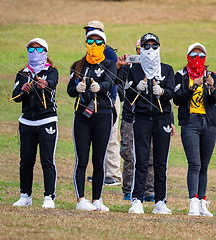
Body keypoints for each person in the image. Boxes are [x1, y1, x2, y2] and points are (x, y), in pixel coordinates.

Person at [125, 33, 175, 214]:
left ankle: (160, 200)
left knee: (161, 162)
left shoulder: (167, 69)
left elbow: (172, 93)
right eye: (147, 46)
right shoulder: (134, 70)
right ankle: (137, 199)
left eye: (154, 46)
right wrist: (135, 88)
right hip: (142, 118)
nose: (150, 50)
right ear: (141, 49)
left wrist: (162, 91)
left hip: (162, 118)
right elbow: (128, 96)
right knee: (141, 160)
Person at [67, 30, 117, 211]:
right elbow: (69, 89)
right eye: (90, 41)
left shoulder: (110, 64)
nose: (94, 45)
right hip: (82, 116)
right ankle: (81, 199)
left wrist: (100, 87)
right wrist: (77, 88)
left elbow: (110, 82)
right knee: (82, 159)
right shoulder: (78, 65)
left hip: (103, 115)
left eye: (98, 42)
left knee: (99, 159)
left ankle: (97, 199)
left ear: (103, 44)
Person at [173, 43, 216, 217]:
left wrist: (211, 86)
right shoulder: (181, 76)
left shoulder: (211, 75)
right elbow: (177, 99)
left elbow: (215, 100)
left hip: (209, 123)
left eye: (201, 55)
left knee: (204, 166)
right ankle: (192, 201)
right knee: (194, 164)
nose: (197, 59)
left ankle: (202, 203)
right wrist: (192, 87)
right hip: (190, 122)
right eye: (194, 55)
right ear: (188, 57)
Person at [11, 38, 58, 209]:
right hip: (27, 122)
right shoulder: (22, 73)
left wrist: (44, 85)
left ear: (45, 52)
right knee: (26, 160)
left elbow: (52, 84)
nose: (35, 53)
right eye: (31, 50)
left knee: (47, 160)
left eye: (39, 50)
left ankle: (49, 197)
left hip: (47, 120)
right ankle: (25, 195)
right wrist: (22, 91)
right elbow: (15, 96)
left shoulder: (51, 71)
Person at [84, 20, 122, 186]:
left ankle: (113, 174)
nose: (89, 33)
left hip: (109, 99)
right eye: (88, 31)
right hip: (94, 99)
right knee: (98, 137)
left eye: (92, 30)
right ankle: (101, 173)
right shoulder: (88, 53)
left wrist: (112, 100)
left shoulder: (109, 53)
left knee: (111, 136)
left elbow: (113, 80)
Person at [117, 39, 155, 202]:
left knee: (151, 155)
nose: (146, 50)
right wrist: (120, 66)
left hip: (149, 118)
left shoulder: (157, 67)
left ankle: (149, 190)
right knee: (129, 153)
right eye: (142, 47)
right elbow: (117, 88)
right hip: (130, 117)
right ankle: (128, 189)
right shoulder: (128, 67)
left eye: (151, 47)